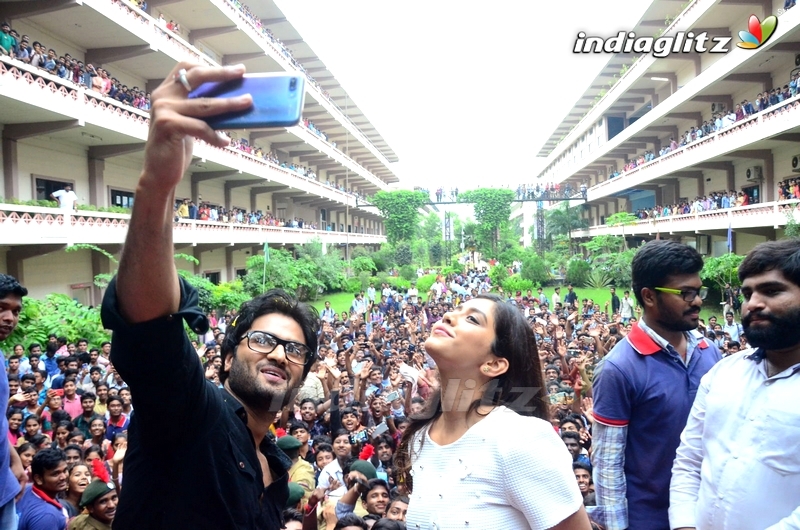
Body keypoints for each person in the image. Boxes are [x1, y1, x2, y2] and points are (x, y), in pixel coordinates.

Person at [99, 62, 321, 529]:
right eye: (262, 340)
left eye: (295, 350)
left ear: (302, 379)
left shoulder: (279, 469)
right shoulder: (193, 415)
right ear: (224, 357)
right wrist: (156, 186)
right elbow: (148, 326)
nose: (280, 354)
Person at [395, 295, 590, 529]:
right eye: (454, 310)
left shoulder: (520, 438)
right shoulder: (421, 437)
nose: (448, 316)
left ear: (495, 364)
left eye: (472, 319)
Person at [590, 240, 721, 530]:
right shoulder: (618, 368)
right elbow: (608, 464)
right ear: (649, 296)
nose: (697, 301)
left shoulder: (710, 352)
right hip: (649, 519)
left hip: (708, 513)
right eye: (685, 293)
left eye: (699, 292)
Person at [670, 239, 800, 529]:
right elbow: (689, 461)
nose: (753, 303)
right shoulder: (723, 373)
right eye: (747, 293)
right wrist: (684, 524)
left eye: (771, 290)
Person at [0, 274, 30, 529]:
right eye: (1, 308)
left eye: (15, 311)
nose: (10, 318)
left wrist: (14, 459)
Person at [17, 448, 68, 530]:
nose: (63, 477)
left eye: (65, 471)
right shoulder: (47, 515)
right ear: (38, 479)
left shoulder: (26, 489)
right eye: (55, 474)